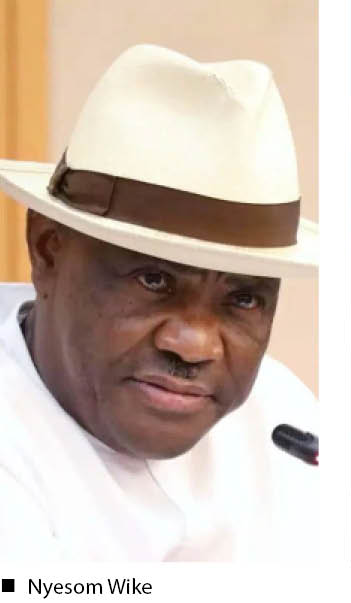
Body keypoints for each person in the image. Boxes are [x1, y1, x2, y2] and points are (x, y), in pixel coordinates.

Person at [0, 44, 319, 561]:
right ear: (48, 249)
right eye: (153, 279)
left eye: (242, 298)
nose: (194, 346)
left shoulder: (286, 416)